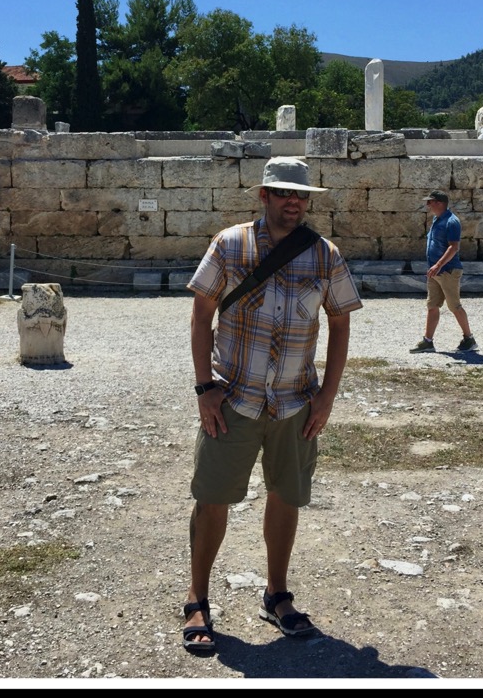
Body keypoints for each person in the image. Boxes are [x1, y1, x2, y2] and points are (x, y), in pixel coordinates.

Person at [182, 156, 363, 654]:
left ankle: (276, 594)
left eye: (301, 195)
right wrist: (204, 388)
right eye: (284, 193)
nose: (294, 202)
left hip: (294, 402)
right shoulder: (230, 243)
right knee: (213, 497)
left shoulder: (324, 254)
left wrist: (327, 397)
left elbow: (341, 322)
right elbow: (200, 315)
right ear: (263, 195)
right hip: (233, 398)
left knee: (287, 496)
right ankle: (197, 597)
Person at [411, 189, 475, 352]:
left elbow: (454, 247)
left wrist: (438, 265)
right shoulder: (437, 219)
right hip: (435, 271)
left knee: (454, 306)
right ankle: (428, 341)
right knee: (432, 305)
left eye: (430, 202)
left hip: (447, 270)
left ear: (439, 203)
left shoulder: (452, 222)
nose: (428, 205)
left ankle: (469, 339)